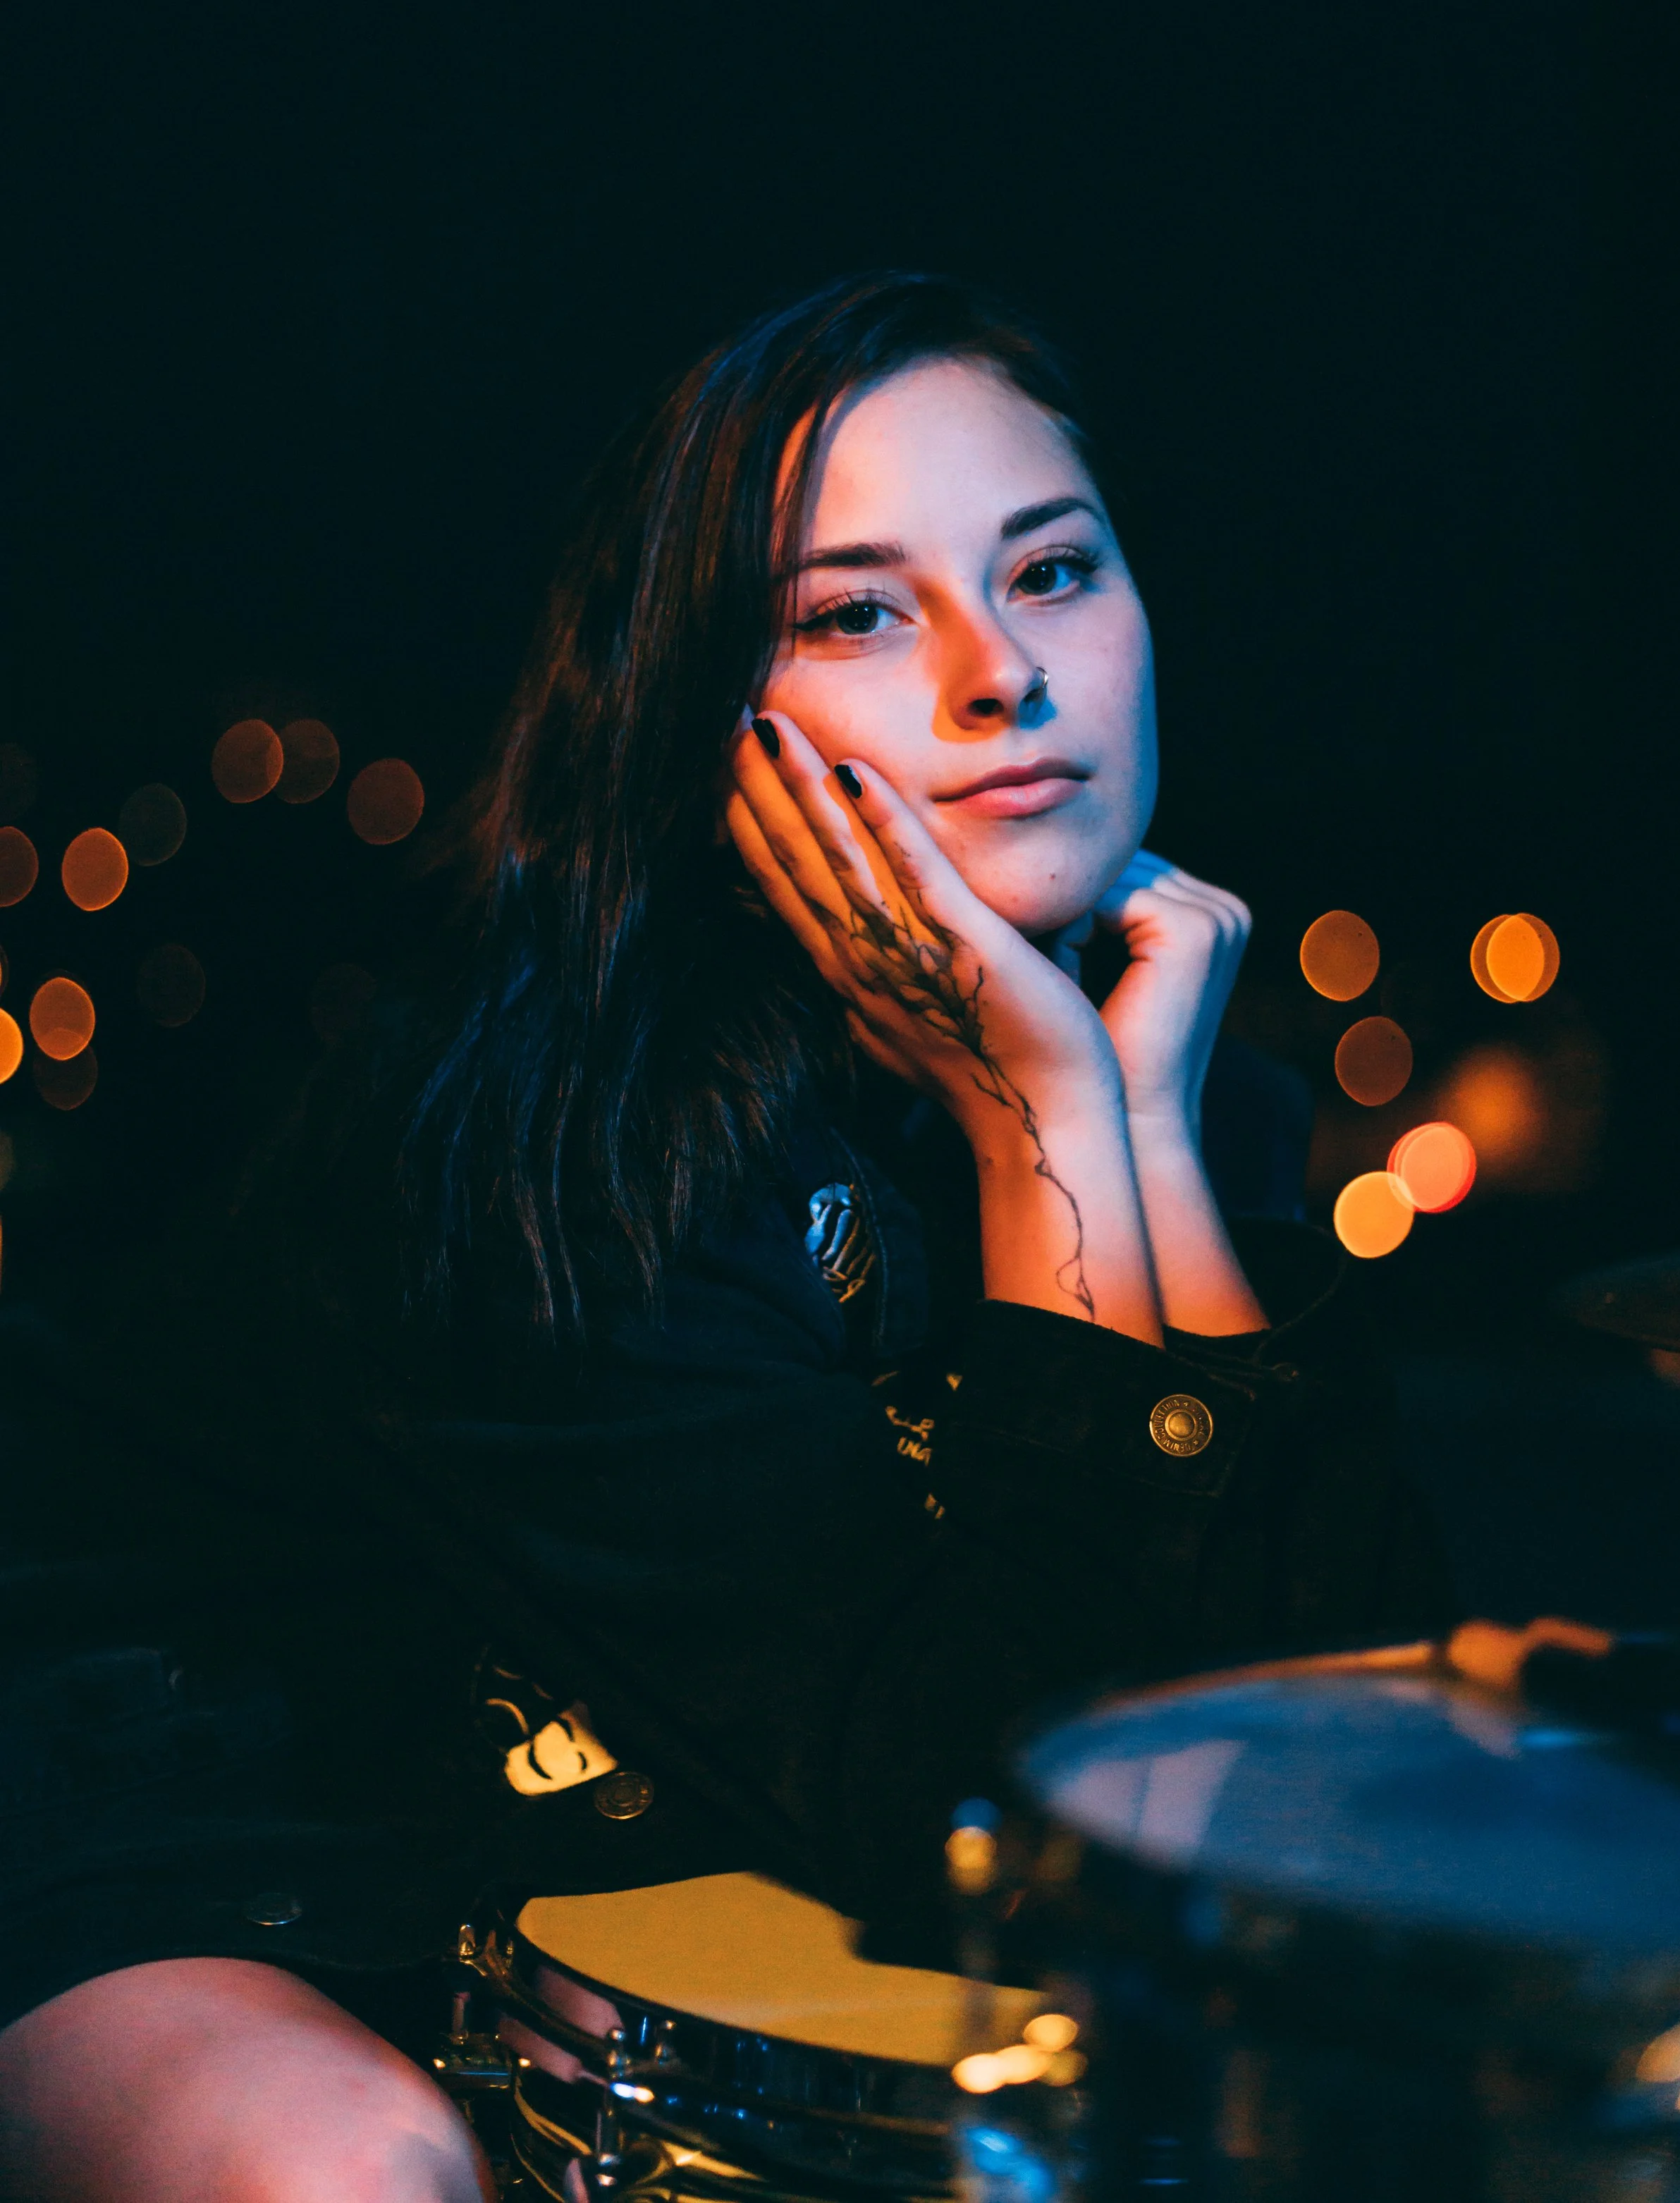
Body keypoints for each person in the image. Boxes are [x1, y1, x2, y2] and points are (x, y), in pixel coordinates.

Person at [0, 271, 1453, 2200]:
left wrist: (1133, 1138)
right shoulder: (547, 1131)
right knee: (341, 2168)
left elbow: (1335, 1729)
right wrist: (1038, 1120)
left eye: (1051, 571)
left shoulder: (1166, 1072)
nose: (1002, 676)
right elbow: (995, 1815)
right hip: (207, 1789)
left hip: (682, 1779)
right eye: (856, 613)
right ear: (705, 719)